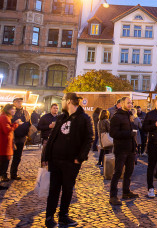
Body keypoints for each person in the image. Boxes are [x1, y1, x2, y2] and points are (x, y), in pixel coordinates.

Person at [42, 93, 93, 228]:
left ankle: (63, 216)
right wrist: (46, 157)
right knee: (53, 189)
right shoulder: (61, 117)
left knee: (67, 189)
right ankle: (49, 217)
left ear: (69, 101)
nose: (61, 102)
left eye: (63, 100)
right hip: (55, 160)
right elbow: (52, 137)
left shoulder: (84, 118)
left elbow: (89, 139)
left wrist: (80, 158)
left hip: (71, 161)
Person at [109, 97, 138, 206]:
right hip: (121, 149)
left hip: (130, 148)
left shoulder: (130, 115)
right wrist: (128, 134)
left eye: (131, 103)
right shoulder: (117, 117)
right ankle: (113, 196)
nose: (130, 104)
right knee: (117, 172)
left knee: (129, 171)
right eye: (128, 103)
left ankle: (126, 192)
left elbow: (132, 131)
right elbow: (113, 133)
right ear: (121, 104)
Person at [11, 97, 31, 181]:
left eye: (21, 102)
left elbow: (29, 123)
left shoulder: (25, 112)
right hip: (13, 137)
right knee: (6, 157)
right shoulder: (11, 111)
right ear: (14, 102)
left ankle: (13, 174)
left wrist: (28, 134)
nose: (20, 103)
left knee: (17, 157)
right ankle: (3, 174)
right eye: (18, 102)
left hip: (22, 137)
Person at [0, 104, 19, 188]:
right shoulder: (4, 117)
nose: (14, 111)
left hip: (5, 144)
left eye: (14, 109)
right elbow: (6, 130)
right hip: (3, 145)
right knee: (2, 164)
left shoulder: (5, 117)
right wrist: (16, 124)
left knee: (3, 164)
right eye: (12, 109)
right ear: (7, 110)